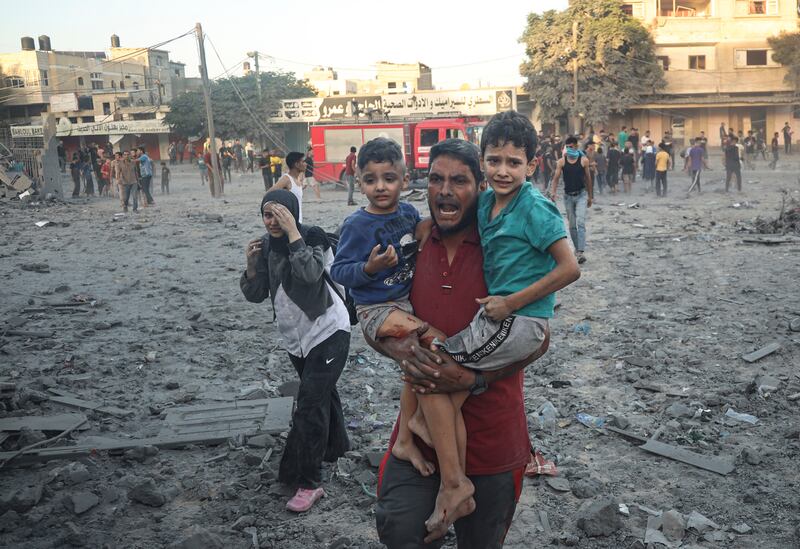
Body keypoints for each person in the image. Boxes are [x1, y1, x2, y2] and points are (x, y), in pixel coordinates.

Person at [368, 135, 568, 548]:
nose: (444, 190)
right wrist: (403, 346)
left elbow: (540, 338)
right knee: (401, 531)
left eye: (459, 181)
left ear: (480, 186)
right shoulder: (412, 243)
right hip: (419, 435)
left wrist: (469, 379)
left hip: (493, 436)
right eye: (435, 179)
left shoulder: (503, 244)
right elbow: (371, 312)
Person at [240, 189, 351, 513]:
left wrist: (293, 234)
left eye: (280, 214)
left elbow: (310, 274)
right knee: (323, 396)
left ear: (293, 213)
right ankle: (337, 446)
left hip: (330, 332)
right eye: (267, 214)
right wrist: (250, 265)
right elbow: (256, 293)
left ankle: (308, 481)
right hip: (296, 340)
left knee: (309, 406)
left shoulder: (312, 238)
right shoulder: (265, 247)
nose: (273, 221)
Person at [548, 135, 593, 264]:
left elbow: (588, 179)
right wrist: (553, 192)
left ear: (576, 146)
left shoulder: (583, 160)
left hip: (581, 195)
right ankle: (577, 250)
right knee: (572, 225)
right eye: (567, 147)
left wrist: (590, 196)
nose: (569, 149)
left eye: (571, 147)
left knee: (580, 222)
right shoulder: (561, 162)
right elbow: (556, 178)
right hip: (568, 197)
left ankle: (580, 252)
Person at [271, 151, 306, 223]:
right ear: (296, 164)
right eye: (303, 162)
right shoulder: (286, 179)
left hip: (298, 220)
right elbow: (269, 194)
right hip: (289, 222)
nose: (305, 164)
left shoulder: (297, 180)